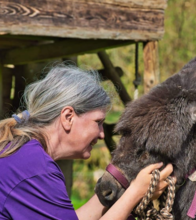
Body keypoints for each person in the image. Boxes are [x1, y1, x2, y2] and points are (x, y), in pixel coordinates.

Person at [0, 65, 173, 220]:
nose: (102, 134)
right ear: (68, 117)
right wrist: (136, 193)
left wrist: (124, 188)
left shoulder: (22, 155)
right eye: (98, 122)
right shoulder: (35, 170)